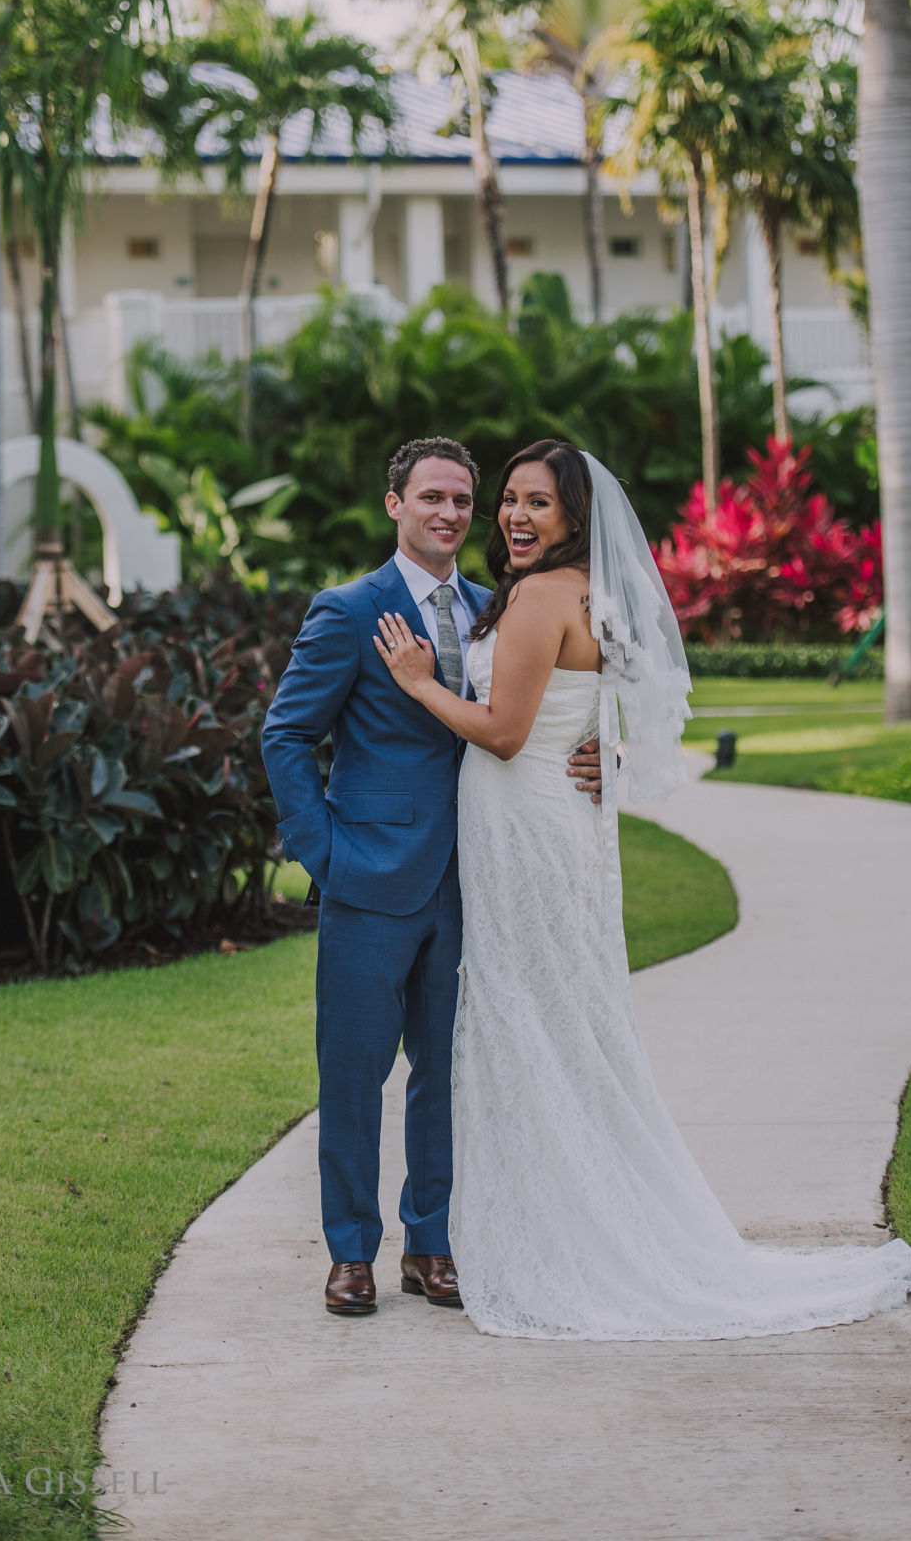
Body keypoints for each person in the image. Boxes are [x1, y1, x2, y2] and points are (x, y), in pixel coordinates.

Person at [373, 438, 911, 1340]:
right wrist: (606, 745)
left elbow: (504, 733)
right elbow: (614, 695)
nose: (513, 516)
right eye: (508, 499)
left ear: (574, 518)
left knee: (531, 1020)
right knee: (564, 1021)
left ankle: (562, 1240)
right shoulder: (587, 590)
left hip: (528, 829)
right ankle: (574, 1219)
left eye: (536, 504)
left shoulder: (545, 596)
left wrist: (420, 683)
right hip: (560, 826)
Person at [261, 436, 603, 1316]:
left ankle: (433, 1243)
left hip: (477, 875)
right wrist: (323, 853)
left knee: (448, 1073)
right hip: (368, 878)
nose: (449, 513)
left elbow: (544, 706)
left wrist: (603, 750)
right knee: (353, 1072)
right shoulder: (349, 610)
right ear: (396, 506)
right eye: (431, 498)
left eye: (461, 499)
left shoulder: (504, 605)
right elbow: (286, 735)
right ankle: (349, 1252)